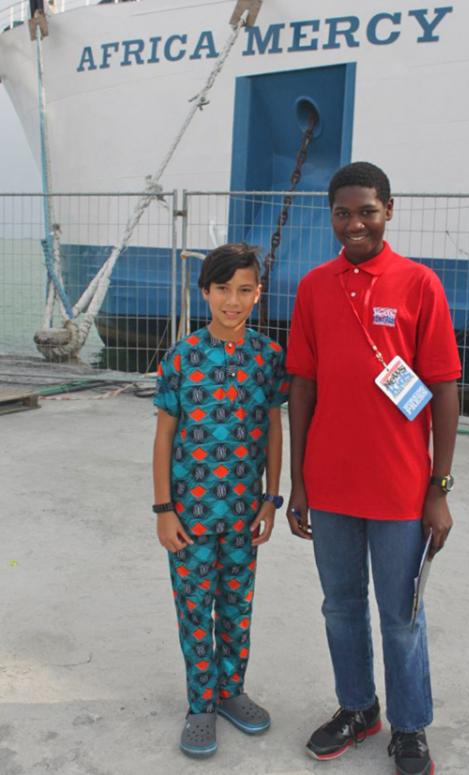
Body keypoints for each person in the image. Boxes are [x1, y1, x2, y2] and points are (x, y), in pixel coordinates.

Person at [285, 162, 461, 775]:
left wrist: (438, 488)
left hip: (400, 488)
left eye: (366, 210)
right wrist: (299, 484)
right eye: (342, 212)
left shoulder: (419, 284)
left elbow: (441, 388)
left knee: (402, 613)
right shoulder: (312, 287)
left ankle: (409, 726)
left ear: (390, 209)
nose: (354, 223)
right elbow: (301, 386)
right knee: (340, 605)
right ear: (330, 216)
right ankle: (359, 708)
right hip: (330, 485)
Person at [152, 243, 288, 758]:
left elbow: (274, 429)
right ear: (205, 291)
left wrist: (271, 498)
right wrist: (164, 509)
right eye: (224, 289)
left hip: (243, 515)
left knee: (237, 606)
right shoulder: (181, 357)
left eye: (245, 290)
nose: (234, 300)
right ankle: (200, 705)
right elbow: (165, 437)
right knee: (194, 608)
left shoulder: (268, 357)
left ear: (258, 294)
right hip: (188, 515)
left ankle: (231, 692)